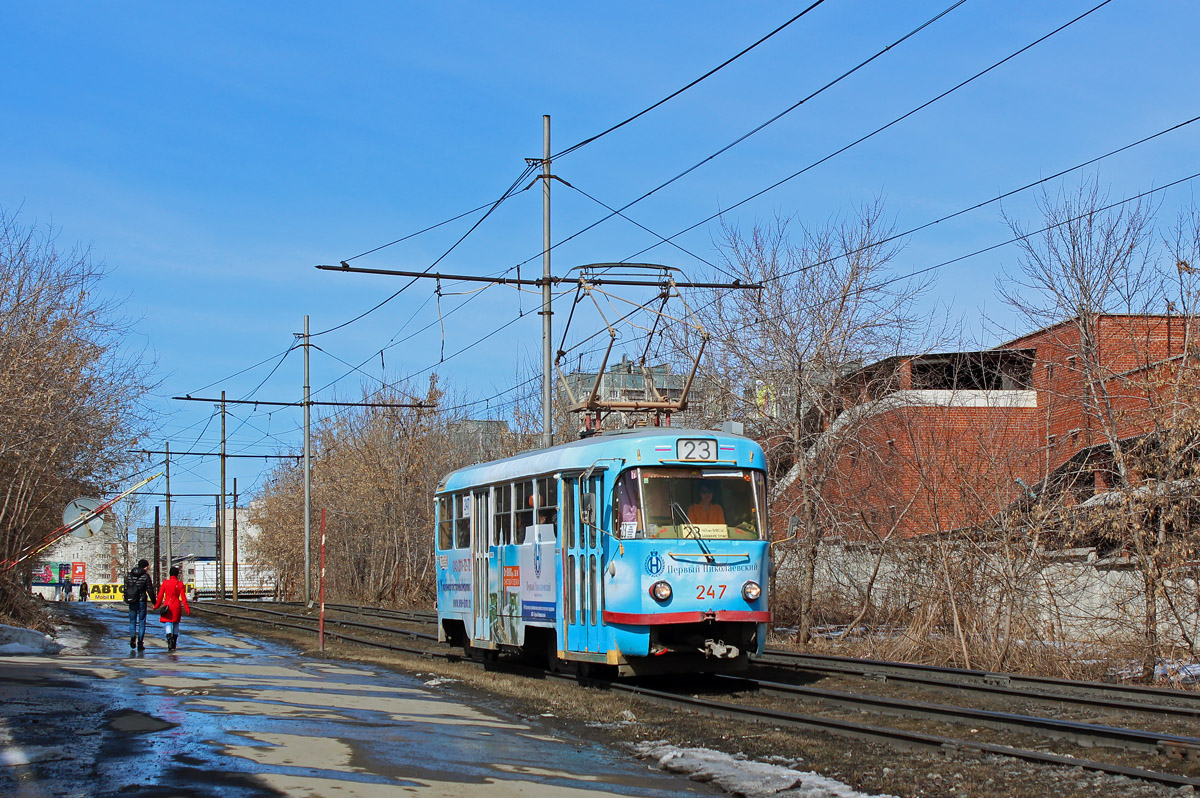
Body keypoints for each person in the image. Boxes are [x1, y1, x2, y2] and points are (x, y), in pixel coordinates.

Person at [152, 566, 191, 652]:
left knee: (168, 623)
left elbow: (160, 596)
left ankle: (169, 639)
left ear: (170, 574)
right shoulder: (180, 584)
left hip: (168, 606)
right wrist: (187, 609)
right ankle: (174, 641)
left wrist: (156, 606)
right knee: (176, 623)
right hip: (176, 606)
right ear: (177, 574)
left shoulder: (165, 583)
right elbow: (183, 598)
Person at [123, 559, 156, 651]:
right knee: (142, 622)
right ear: (145, 566)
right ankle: (140, 643)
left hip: (132, 600)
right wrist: (154, 602)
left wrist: (126, 599)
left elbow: (125, 589)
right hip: (142, 600)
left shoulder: (129, 576)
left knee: (132, 621)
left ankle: (132, 636)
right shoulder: (146, 576)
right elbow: (150, 590)